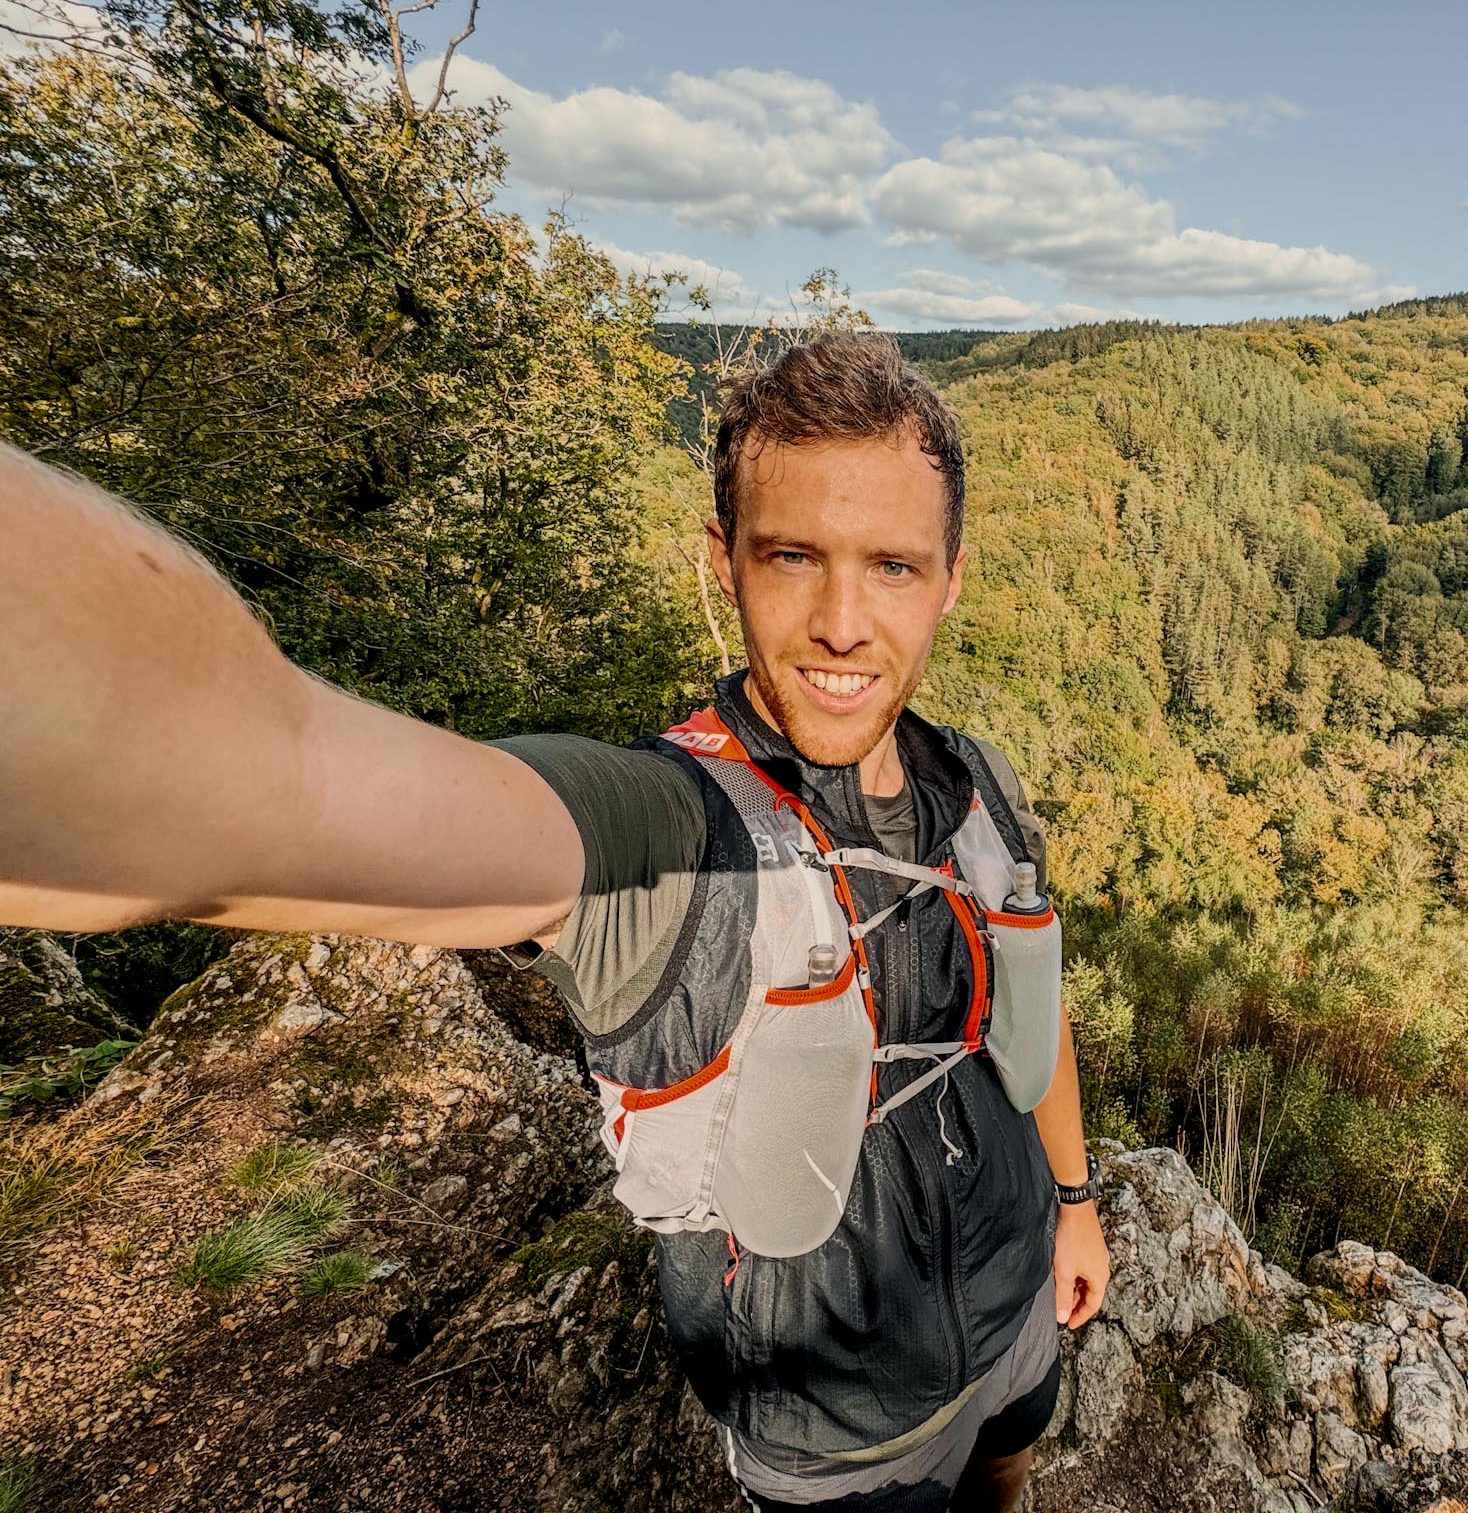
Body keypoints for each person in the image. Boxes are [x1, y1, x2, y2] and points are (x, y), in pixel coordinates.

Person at [0, 331, 1112, 1511]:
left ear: (949, 576)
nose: (843, 621)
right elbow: (281, 779)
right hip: (830, 1426)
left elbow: (1029, 1005)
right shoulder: (672, 840)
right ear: (724, 561)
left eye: (891, 566)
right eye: (792, 555)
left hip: (1018, 1301)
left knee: (1010, 1467)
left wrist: (1076, 1206)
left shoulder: (978, 784)